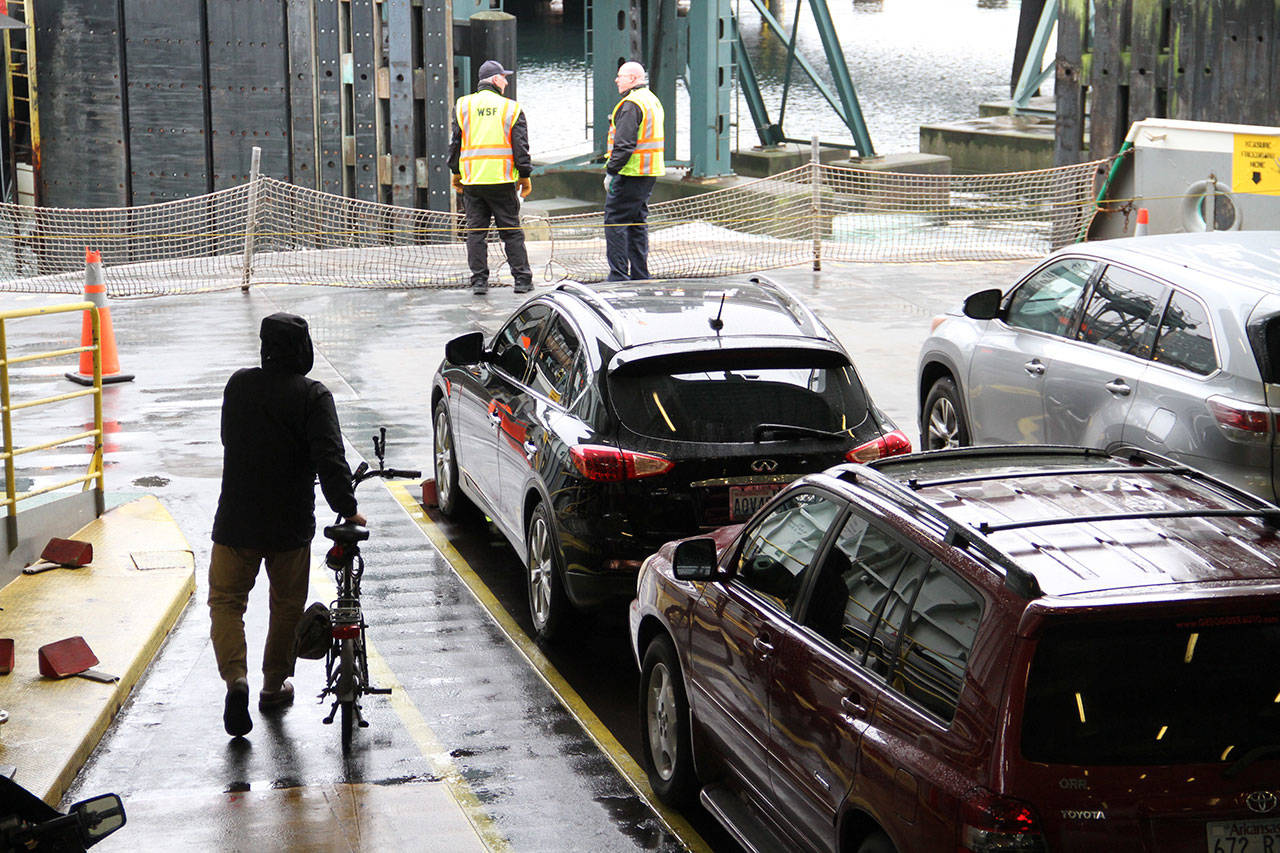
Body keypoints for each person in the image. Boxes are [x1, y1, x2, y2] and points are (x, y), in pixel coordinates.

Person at [208, 312, 366, 738]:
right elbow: (331, 460)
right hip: (290, 524)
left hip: (235, 519)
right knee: (286, 607)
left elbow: (229, 439)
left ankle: (235, 679)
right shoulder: (313, 396)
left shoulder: (239, 386)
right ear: (304, 349)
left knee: (226, 601)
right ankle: (273, 685)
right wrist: (347, 508)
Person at [449, 59, 534, 296]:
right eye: (504, 78)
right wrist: (525, 175)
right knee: (511, 231)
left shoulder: (463, 106)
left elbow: (455, 144)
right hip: (502, 180)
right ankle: (522, 280)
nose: (506, 82)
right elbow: (521, 147)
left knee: (476, 233)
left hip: (473, 181)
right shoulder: (511, 108)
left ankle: (479, 282)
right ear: (496, 80)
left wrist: (456, 172)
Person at [603, 61, 665, 281]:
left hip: (631, 173)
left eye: (620, 76)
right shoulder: (651, 100)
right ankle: (640, 275)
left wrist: (611, 171)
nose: (616, 80)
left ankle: (618, 277)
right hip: (648, 172)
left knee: (615, 222)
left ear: (632, 79)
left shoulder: (630, 104)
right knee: (637, 223)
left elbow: (624, 144)